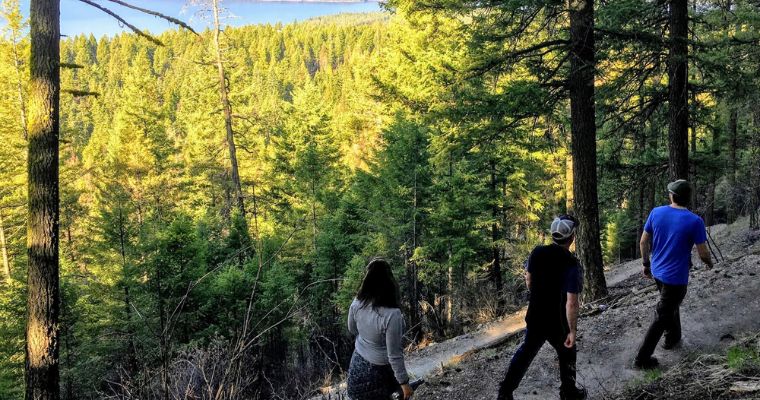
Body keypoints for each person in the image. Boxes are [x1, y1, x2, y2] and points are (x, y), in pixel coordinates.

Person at [497, 215, 587, 400]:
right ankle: (568, 392)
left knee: (525, 354)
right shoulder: (571, 263)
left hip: (536, 315)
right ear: (571, 238)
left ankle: (505, 392)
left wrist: (539, 294)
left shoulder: (537, 252)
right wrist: (572, 330)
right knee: (568, 352)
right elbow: (571, 302)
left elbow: (528, 278)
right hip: (558, 321)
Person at [634, 179, 714, 369]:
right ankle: (642, 359)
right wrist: (709, 264)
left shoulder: (656, 212)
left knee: (670, 305)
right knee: (662, 314)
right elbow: (703, 252)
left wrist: (646, 264)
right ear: (688, 198)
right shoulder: (695, 221)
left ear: (672, 195)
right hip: (676, 278)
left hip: (658, 272)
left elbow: (643, 242)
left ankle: (673, 337)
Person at [347, 258, 414, 400]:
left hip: (356, 367)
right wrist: (404, 383)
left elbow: (352, 329)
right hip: (379, 373)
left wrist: (368, 337)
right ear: (389, 282)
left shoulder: (357, 303)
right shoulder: (392, 314)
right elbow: (394, 355)